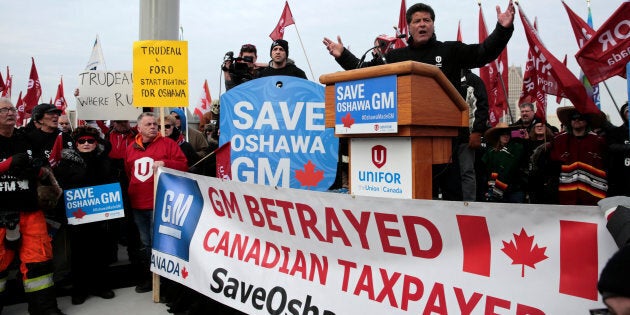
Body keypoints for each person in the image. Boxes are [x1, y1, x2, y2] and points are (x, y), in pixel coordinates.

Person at [322, 1, 514, 95]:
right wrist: (343, 55)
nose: (422, 24)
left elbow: (483, 53)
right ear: (409, 28)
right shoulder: (395, 56)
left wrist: (502, 30)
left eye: (427, 20)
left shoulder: (450, 50)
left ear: (433, 24)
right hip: (406, 130)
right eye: (417, 21)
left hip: (447, 132)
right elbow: (364, 72)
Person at [0, 98, 66, 315]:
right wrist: (7, 165)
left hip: (30, 210)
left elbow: (43, 167)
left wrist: (37, 170)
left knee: (40, 263)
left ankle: (45, 309)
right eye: (4, 110)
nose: (10, 112)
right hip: (0, 213)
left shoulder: (25, 139)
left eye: (12, 109)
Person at [124, 112, 188, 293]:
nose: (153, 127)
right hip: (138, 204)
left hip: (159, 203)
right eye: (149, 124)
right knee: (145, 244)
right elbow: (129, 172)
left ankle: (166, 283)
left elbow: (184, 165)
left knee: (160, 243)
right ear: (139, 128)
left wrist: (165, 163)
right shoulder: (131, 148)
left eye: (155, 124)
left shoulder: (168, 144)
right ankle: (151, 279)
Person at [53, 126, 116, 305]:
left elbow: (112, 182)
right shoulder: (65, 163)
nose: (86, 144)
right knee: (79, 253)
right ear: (76, 143)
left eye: (90, 141)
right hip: (78, 216)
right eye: (82, 141)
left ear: (96, 143)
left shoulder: (104, 160)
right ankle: (80, 289)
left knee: (101, 251)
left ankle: (101, 286)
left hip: (101, 214)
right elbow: (60, 187)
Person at [550, 106, 608, 205]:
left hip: (593, 194)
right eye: (573, 118)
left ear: (587, 121)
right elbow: (552, 165)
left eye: (580, 117)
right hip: (565, 195)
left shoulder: (598, 141)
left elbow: (606, 164)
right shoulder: (559, 140)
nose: (576, 120)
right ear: (569, 121)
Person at [481, 122, 527, 203]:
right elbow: (488, 171)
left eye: (508, 134)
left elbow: (525, 156)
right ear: (498, 136)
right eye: (503, 134)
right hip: (496, 189)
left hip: (514, 189)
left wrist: (527, 140)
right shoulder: (491, 151)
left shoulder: (517, 147)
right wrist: (490, 189)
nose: (506, 136)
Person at [526, 122, 558, 204]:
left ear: (546, 129)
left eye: (541, 126)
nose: (539, 128)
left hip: (548, 180)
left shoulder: (552, 143)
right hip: (533, 181)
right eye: (537, 126)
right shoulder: (529, 143)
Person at [606, 103, 630, 197]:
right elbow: (612, 146)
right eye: (628, 111)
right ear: (623, 115)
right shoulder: (616, 132)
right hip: (622, 179)